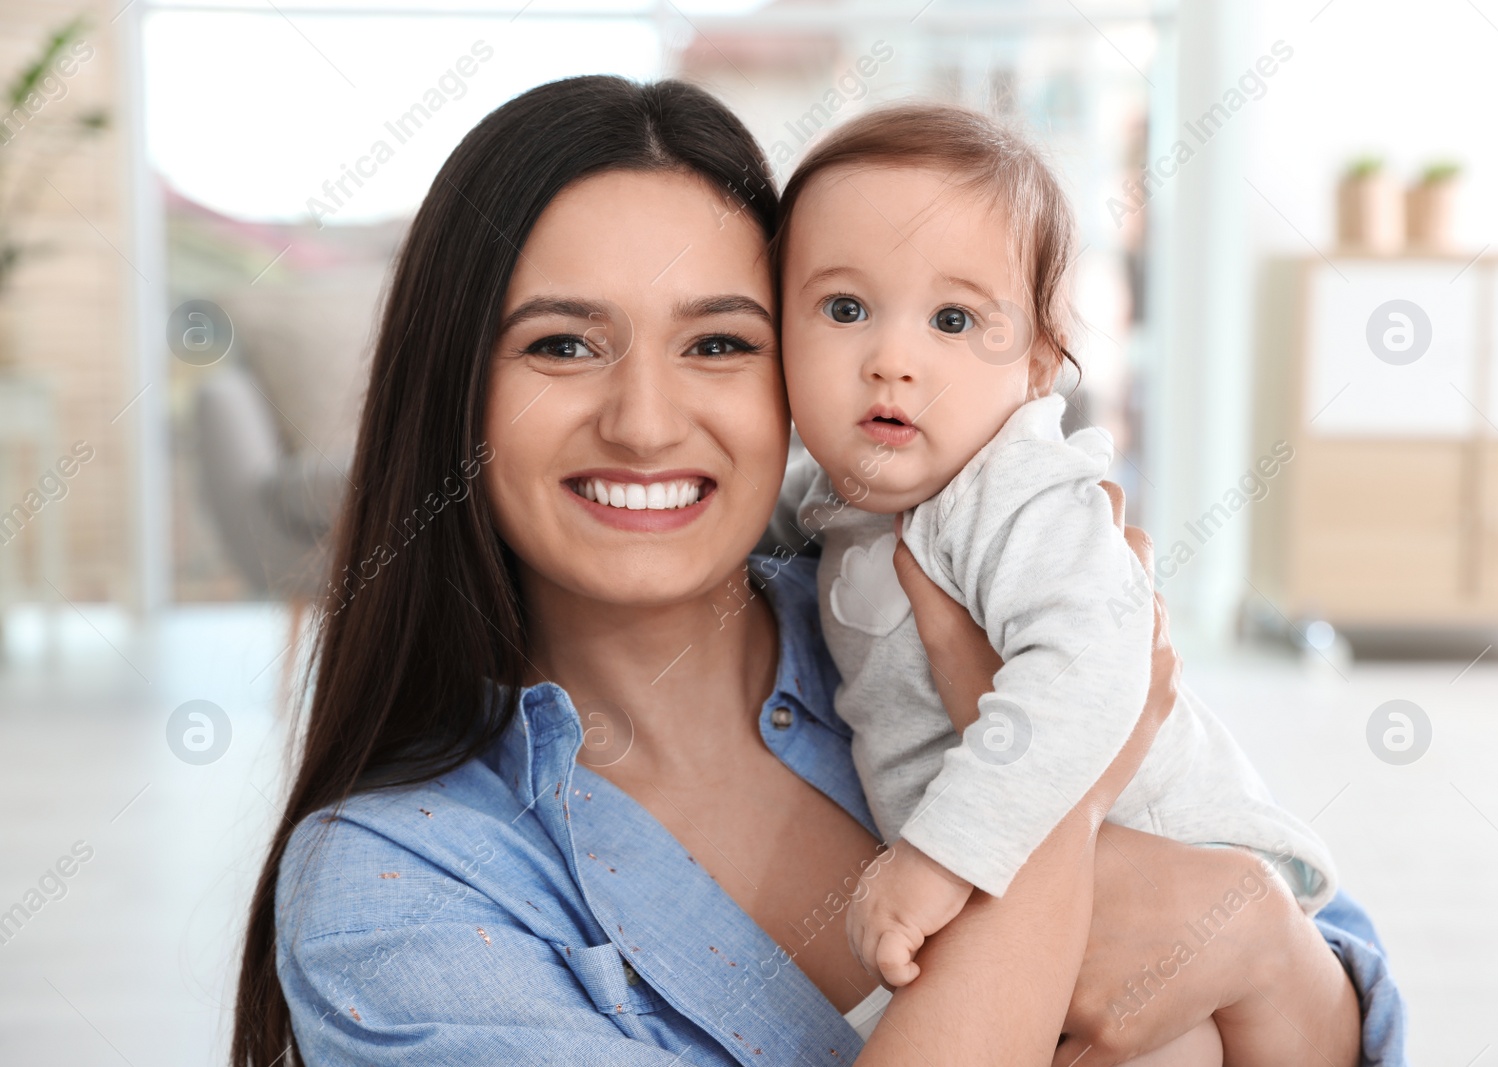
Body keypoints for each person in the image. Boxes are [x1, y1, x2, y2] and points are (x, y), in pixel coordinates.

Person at [230, 75, 1407, 1067]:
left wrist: (1253, 928)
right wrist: (1059, 820)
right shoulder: (395, 888)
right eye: (563, 344)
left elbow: (1323, 987)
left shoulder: (919, 602)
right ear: (455, 389)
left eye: (719, 342)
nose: (645, 421)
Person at [774, 103, 1345, 1065]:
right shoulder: (845, 495)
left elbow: (1093, 668)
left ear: (1039, 362)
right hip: (1044, 871)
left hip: (1153, 846)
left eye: (954, 320)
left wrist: (941, 853)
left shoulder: (1015, 493)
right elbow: (788, 514)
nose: (891, 359)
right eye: (843, 309)